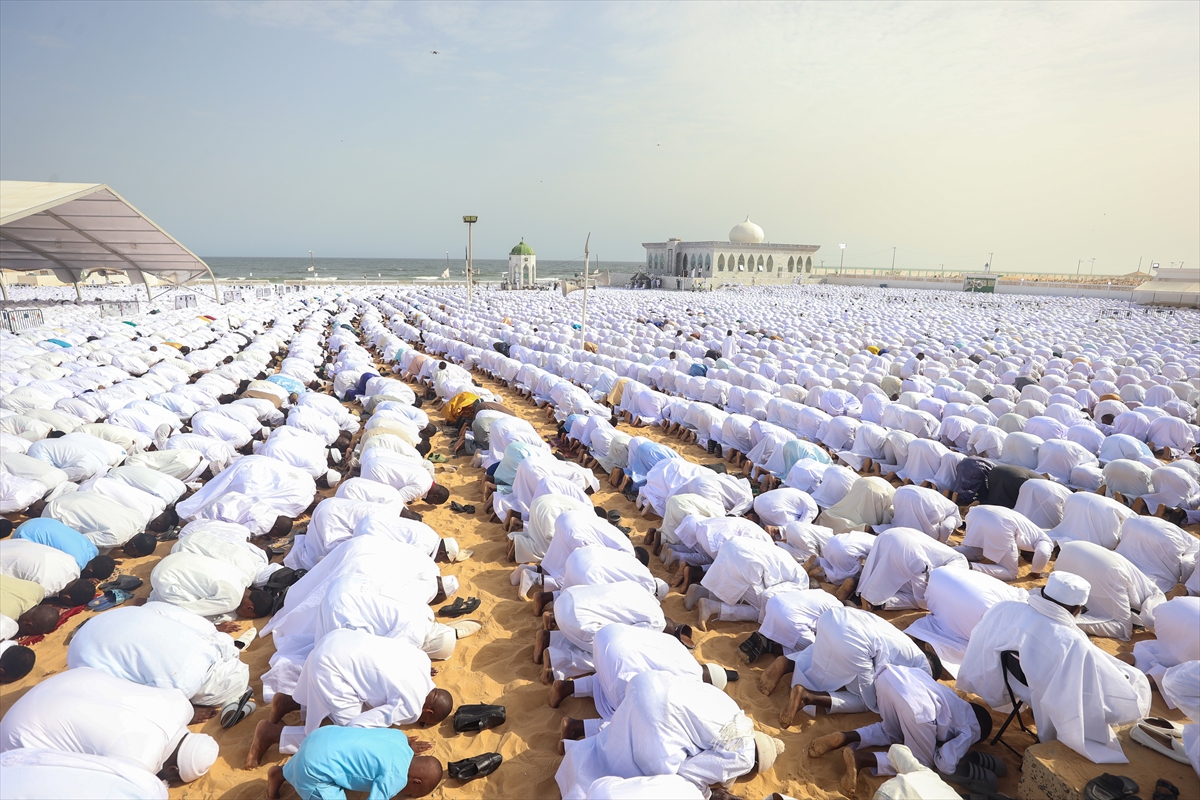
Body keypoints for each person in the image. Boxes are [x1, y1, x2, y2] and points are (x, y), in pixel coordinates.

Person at [957, 572, 1151, 763]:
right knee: (1134, 682)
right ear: (1076, 610)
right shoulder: (1071, 642)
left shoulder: (1006, 608)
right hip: (1040, 694)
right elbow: (1084, 689)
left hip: (1009, 679)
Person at [556, 670, 784, 800]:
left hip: (645, 684)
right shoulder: (743, 756)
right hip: (657, 718)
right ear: (753, 765)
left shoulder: (734, 710)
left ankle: (573, 748)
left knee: (616, 740)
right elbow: (689, 774)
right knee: (659, 775)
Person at [247, 629, 453, 768]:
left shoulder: (422, 661)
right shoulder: (413, 706)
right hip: (332, 667)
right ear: (428, 711)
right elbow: (358, 726)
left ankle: (288, 702)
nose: (419, 721)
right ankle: (273, 734)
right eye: (424, 722)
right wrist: (396, 742)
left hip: (337, 640)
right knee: (346, 737)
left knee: (361, 694)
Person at [0, 666, 219, 784]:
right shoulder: (138, 760)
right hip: (16, 732)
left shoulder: (181, 705)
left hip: (71, 679)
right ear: (171, 769)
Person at [807, 664, 994, 796]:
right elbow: (945, 764)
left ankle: (845, 737)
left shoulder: (954, 699)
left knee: (890, 730)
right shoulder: (973, 728)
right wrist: (937, 753)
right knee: (921, 763)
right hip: (919, 706)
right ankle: (861, 759)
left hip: (888, 679)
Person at [67, 601, 250, 707]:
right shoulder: (129, 610)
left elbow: (108, 690)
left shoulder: (78, 652)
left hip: (196, 683)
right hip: (218, 657)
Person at [779, 606, 934, 727]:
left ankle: (788, 663)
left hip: (830, 618)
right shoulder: (924, 667)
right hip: (854, 645)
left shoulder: (904, 642)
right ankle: (808, 696)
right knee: (867, 702)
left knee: (821, 653)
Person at [548, 623, 734, 720]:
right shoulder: (692, 681)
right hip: (616, 664)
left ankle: (568, 687)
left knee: (617, 671)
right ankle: (579, 727)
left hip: (603, 638)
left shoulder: (679, 648)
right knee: (640, 717)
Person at [268, 726, 443, 800]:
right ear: (416, 782)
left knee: (321, 759)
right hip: (312, 769)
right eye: (411, 795)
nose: (406, 796)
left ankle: (280, 773)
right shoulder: (396, 776)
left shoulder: (399, 738)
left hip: (322, 736)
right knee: (314, 775)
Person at [1052, 541, 1166, 641]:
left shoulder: (1150, 596)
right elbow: (1123, 629)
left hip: (1070, 550)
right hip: (1101, 568)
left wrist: (1066, 620)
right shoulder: (1112, 575)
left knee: (1149, 620)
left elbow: (1124, 629)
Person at [954, 505, 1053, 581]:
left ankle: (948, 552)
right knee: (1011, 573)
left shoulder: (1032, 530)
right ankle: (970, 566)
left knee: (976, 554)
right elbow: (1043, 552)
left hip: (976, 512)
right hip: (1000, 524)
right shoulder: (1046, 540)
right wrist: (1036, 572)